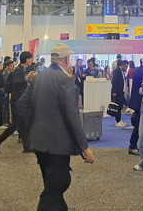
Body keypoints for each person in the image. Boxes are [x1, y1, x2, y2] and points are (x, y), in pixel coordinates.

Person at [24, 43, 94, 210]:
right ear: (67, 59)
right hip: (57, 143)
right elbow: (72, 115)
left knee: (52, 184)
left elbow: (22, 105)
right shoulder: (64, 80)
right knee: (59, 183)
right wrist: (85, 147)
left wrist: (31, 129)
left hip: (39, 141)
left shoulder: (39, 76)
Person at [0, 51, 33, 153]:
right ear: (27, 59)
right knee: (16, 124)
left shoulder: (28, 69)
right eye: (30, 58)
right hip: (17, 101)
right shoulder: (18, 71)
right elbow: (17, 83)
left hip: (24, 100)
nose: (31, 60)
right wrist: (27, 78)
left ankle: (27, 146)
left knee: (25, 122)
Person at [110, 60, 128, 127]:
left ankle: (119, 120)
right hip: (117, 92)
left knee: (120, 106)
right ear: (122, 65)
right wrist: (114, 92)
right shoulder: (116, 71)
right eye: (126, 66)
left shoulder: (121, 71)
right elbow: (114, 81)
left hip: (120, 92)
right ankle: (118, 120)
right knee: (118, 106)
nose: (126, 68)